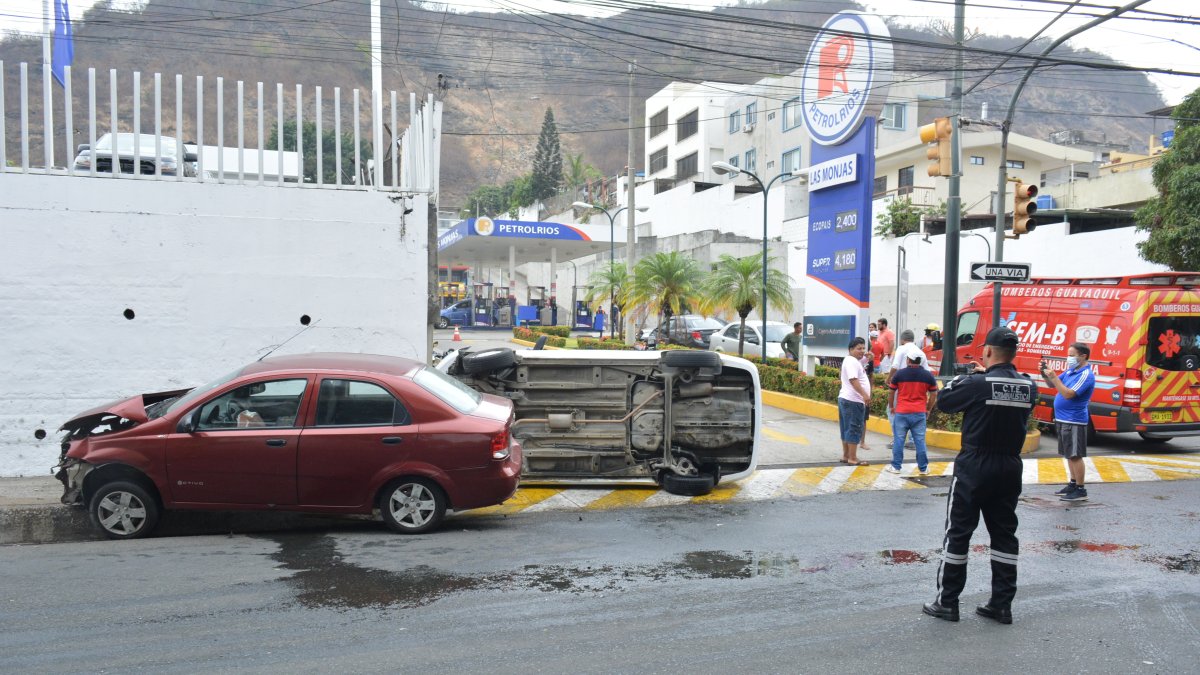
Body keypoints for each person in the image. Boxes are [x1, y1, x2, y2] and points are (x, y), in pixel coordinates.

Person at [923, 326, 1033, 625]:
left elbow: (945, 401)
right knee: (1004, 536)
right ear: (1014, 353)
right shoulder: (1028, 386)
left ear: (986, 351)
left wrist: (969, 376)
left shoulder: (977, 383)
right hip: (1010, 466)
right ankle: (1001, 605)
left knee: (958, 533)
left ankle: (947, 602)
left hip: (975, 464)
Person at [1040, 343, 1096, 502]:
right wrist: (1045, 373)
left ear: (1083, 356)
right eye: (1069, 355)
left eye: (1072, 355)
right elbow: (1052, 385)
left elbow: (1068, 394)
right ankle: (1072, 484)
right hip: (1062, 418)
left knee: (1075, 455)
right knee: (1068, 454)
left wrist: (1054, 377)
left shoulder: (1086, 374)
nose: (1069, 358)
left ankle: (1080, 489)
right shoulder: (1072, 371)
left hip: (1074, 420)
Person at [885, 351, 937, 475]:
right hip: (919, 413)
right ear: (920, 361)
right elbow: (934, 394)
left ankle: (896, 467)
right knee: (920, 441)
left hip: (902, 412)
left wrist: (892, 406)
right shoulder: (927, 375)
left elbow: (891, 392)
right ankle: (923, 468)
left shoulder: (899, 374)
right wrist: (928, 409)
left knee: (899, 440)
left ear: (908, 360)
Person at [886, 330, 928, 450]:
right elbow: (926, 371)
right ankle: (913, 441)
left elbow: (895, 366)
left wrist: (888, 379)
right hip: (918, 388)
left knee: (892, 410)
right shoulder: (921, 352)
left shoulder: (901, 348)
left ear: (902, 339)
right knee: (915, 412)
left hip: (902, 386)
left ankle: (897, 439)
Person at [837, 337, 872, 466]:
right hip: (853, 400)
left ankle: (846, 456)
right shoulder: (852, 361)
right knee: (854, 428)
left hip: (847, 399)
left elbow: (862, 361)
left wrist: (867, 357)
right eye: (859, 348)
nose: (862, 351)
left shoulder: (851, 360)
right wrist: (864, 394)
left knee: (846, 428)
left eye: (863, 348)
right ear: (851, 349)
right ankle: (853, 458)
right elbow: (853, 379)